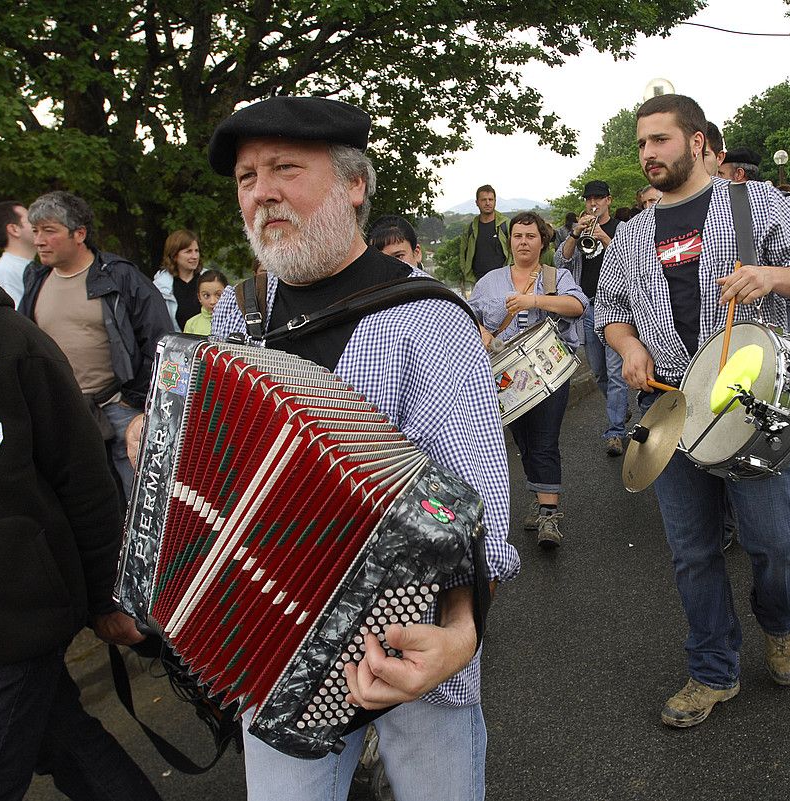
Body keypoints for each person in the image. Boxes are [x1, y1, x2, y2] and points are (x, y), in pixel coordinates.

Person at [184, 95, 519, 800]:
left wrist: (460, 634)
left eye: (284, 169)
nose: (262, 191)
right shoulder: (235, 314)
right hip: (272, 637)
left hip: (413, 645)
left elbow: (475, 503)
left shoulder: (425, 316)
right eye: (247, 177)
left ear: (354, 184)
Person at [597, 94, 790, 728]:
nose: (648, 154)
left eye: (661, 141)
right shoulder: (635, 232)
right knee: (693, 551)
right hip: (670, 405)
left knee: (775, 543)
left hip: (748, 404)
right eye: (642, 144)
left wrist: (774, 278)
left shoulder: (759, 205)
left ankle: (781, 623)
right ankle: (712, 671)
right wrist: (628, 348)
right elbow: (610, 312)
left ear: (697, 142)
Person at [0, 204, 160, 801]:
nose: (41, 240)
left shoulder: (6, 340)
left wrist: (104, 596)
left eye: (51, 229)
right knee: (60, 736)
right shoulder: (37, 286)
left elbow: (82, 479)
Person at [18, 191, 172, 501]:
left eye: (49, 230)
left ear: (79, 234)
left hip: (121, 412)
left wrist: (136, 400)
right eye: (35, 231)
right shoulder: (36, 279)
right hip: (66, 416)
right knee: (88, 506)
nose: (38, 240)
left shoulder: (120, 277)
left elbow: (160, 340)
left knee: (140, 503)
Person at [468, 211, 587, 548]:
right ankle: (539, 500)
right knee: (525, 442)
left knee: (545, 440)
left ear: (542, 241)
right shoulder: (490, 281)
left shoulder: (555, 275)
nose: (523, 241)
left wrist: (533, 300)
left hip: (550, 371)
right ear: (511, 241)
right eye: (518, 236)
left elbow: (578, 306)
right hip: (506, 377)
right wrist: (483, 334)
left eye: (530, 236)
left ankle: (549, 517)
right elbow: (466, 315)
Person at [554, 179, 628, 456]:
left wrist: (603, 238)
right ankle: (619, 410)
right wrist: (575, 234)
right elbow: (560, 262)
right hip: (587, 307)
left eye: (598, 198)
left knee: (615, 372)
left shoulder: (621, 229)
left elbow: (629, 260)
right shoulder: (580, 229)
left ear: (609, 199)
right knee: (598, 371)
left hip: (615, 306)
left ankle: (615, 431)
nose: (593, 203)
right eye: (589, 199)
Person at [0, 200, 34, 307]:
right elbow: (18, 319)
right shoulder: (5, 272)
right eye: (31, 219)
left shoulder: (23, 267)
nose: (38, 224)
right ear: (14, 229)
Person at [458, 184, 510, 286]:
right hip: (479, 282)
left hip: (503, 281)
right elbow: (463, 254)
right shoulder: (470, 229)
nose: (487, 203)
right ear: (477, 202)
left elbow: (514, 253)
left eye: (491, 199)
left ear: (495, 201)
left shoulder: (506, 225)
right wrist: (469, 275)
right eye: (484, 200)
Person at [152, 228, 203, 330]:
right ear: (174, 255)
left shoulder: (208, 280)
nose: (194, 256)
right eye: (188, 251)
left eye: (196, 251)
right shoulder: (161, 287)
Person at [182, 268, 228, 335]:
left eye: (218, 295)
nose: (212, 301)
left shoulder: (235, 321)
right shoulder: (191, 324)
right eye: (206, 295)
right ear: (199, 297)